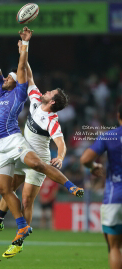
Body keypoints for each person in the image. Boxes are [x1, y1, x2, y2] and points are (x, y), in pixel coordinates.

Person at [0, 34, 84, 258]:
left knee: (26, 198)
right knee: (7, 189)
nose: (46, 91)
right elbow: (27, 73)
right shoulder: (36, 99)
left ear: (53, 102)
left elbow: (61, 143)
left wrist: (62, 156)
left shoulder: (52, 121)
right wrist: (22, 51)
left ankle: (18, 240)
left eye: (50, 93)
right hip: (20, 152)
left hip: (36, 156)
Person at [80, 103, 122, 269]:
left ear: (118, 116)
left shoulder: (109, 136)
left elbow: (85, 159)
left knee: (115, 247)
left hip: (116, 197)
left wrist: (94, 167)